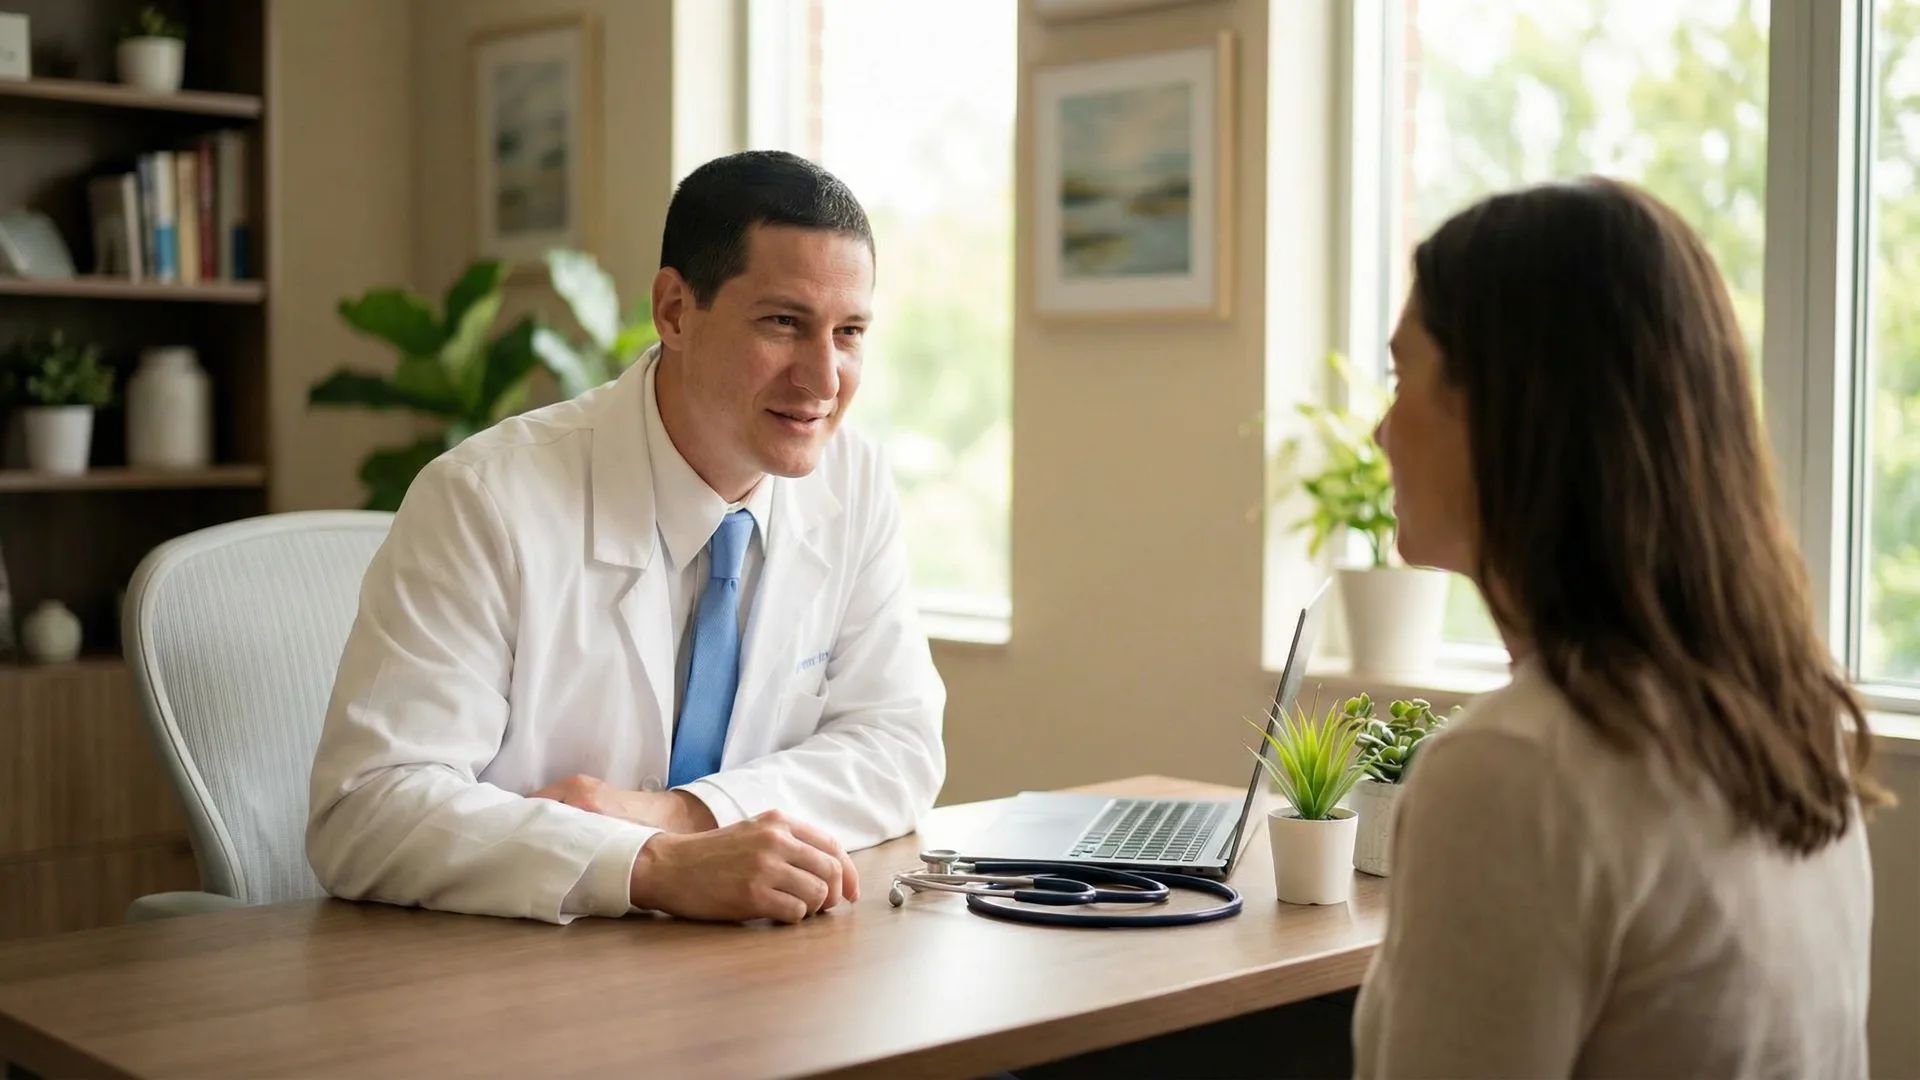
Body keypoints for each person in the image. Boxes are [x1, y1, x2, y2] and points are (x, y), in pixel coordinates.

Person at [307, 150, 945, 926]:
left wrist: (678, 818)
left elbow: (899, 746)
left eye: (849, 332)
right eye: (784, 323)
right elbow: (367, 811)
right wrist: (651, 868)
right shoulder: (484, 499)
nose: (823, 378)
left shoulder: (855, 485)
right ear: (675, 311)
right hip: (511, 981)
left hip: (758, 974)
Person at [1355, 178, 1889, 1077]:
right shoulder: (1794, 729)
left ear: (1507, 411)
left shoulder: (1514, 770)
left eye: (1403, 375)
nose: (1380, 430)